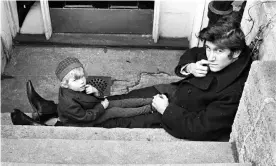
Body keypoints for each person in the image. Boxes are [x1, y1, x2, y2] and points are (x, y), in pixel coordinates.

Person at [11, 15, 252, 141]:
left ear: (236, 53)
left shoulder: (234, 90)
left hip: (169, 112)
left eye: (218, 51)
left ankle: (49, 127)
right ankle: (51, 109)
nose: (210, 55)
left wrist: (166, 110)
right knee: (117, 100)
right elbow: (191, 54)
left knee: (110, 121)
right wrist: (189, 68)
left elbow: (201, 128)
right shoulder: (215, 54)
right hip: (167, 89)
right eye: (209, 48)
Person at [12, 57, 154, 127]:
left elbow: (96, 97)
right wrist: (102, 107)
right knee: (115, 111)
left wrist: (95, 92)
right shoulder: (68, 101)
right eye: (76, 79)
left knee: (120, 102)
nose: (82, 81)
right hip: (84, 120)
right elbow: (86, 117)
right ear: (64, 83)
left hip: (89, 108)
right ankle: (149, 108)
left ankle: (150, 100)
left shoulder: (75, 87)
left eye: (83, 77)